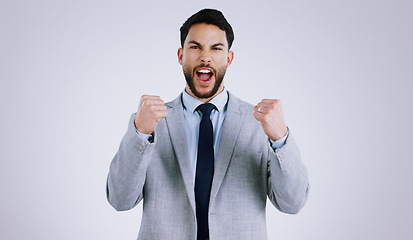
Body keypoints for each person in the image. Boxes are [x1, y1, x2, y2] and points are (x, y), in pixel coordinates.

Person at [107, 8, 309, 240]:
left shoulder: (260, 124)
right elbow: (119, 200)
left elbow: (292, 203)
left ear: (229, 58)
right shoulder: (150, 121)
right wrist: (140, 134)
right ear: (181, 55)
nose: (205, 57)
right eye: (195, 47)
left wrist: (280, 139)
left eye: (216, 48)